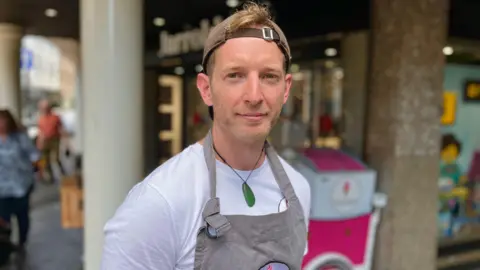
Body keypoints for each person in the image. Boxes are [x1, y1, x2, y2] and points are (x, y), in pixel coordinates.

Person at [101, 2, 311, 270]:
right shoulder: (157, 204)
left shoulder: (299, 191)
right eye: (235, 75)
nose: (255, 96)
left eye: (269, 76)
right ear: (206, 88)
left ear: (285, 88)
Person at [0, 109, 40, 250]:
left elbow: (34, 155)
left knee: (21, 215)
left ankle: (22, 241)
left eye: (3, 121)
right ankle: (6, 244)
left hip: (20, 184)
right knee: (3, 216)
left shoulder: (20, 138)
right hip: (2, 187)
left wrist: (35, 168)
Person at [36, 99, 65, 183]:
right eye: (43, 108)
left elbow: (61, 128)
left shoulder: (55, 117)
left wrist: (66, 141)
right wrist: (39, 142)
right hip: (45, 140)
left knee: (55, 158)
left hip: (54, 139)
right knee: (45, 159)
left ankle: (62, 173)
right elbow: (40, 132)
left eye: (46, 108)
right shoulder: (41, 119)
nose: (44, 110)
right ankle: (49, 176)